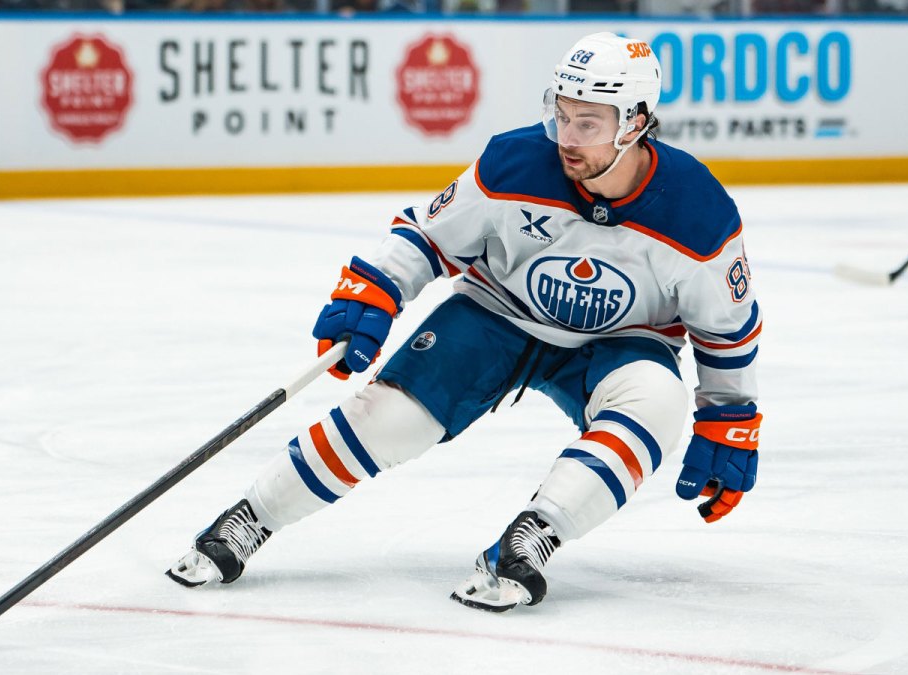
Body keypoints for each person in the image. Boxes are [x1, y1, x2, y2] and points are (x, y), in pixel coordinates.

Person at [166, 32, 762, 612]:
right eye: (562, 116)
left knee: (658, 402)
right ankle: (249, 519)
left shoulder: (698, 210)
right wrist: (375, 290)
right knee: (389, 416)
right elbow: (427, 233)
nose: (567, 138)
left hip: (620, 342)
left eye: (589, 123)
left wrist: (728, 415)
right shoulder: (514, 162)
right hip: (495, 315)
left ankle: (531, 538)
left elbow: (725, 329)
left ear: (633, 124)